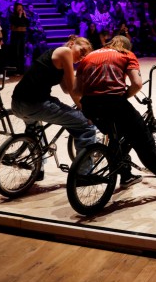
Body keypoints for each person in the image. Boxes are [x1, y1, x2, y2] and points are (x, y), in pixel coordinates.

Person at [74, 35, 156, 188]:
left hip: (89, 105)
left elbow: (77, 90)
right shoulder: (126, 54)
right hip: (115, 103)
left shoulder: (89, 56)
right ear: (127, 47)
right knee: (145, 144)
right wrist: (124, 95)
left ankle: (126, 175)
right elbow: (137, 83)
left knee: (116, 136)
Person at [10, 35, 98, 181]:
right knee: (86, 125)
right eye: (82, 50)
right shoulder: (65, 52)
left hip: (17, 103)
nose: (82, 56)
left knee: (34, 129)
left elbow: (66, 88)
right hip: (35, 104)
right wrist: (85, 110)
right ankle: (84, 175)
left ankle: (38, 168)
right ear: (71, 44)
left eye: (85, 55)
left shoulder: (58, 55)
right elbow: (72, 89)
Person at [8, 2, 31, 74]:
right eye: (18, 8)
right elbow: (16, 24)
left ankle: (22, 69)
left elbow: (27, 24)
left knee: (22, 52)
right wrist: (20, 16)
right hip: (16, 35)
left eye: (21, 7)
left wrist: (25, 16)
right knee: (16, 52)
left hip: (23, 35)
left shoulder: (24, 16)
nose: (20, 9)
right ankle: (16, 70)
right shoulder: (13, 16)